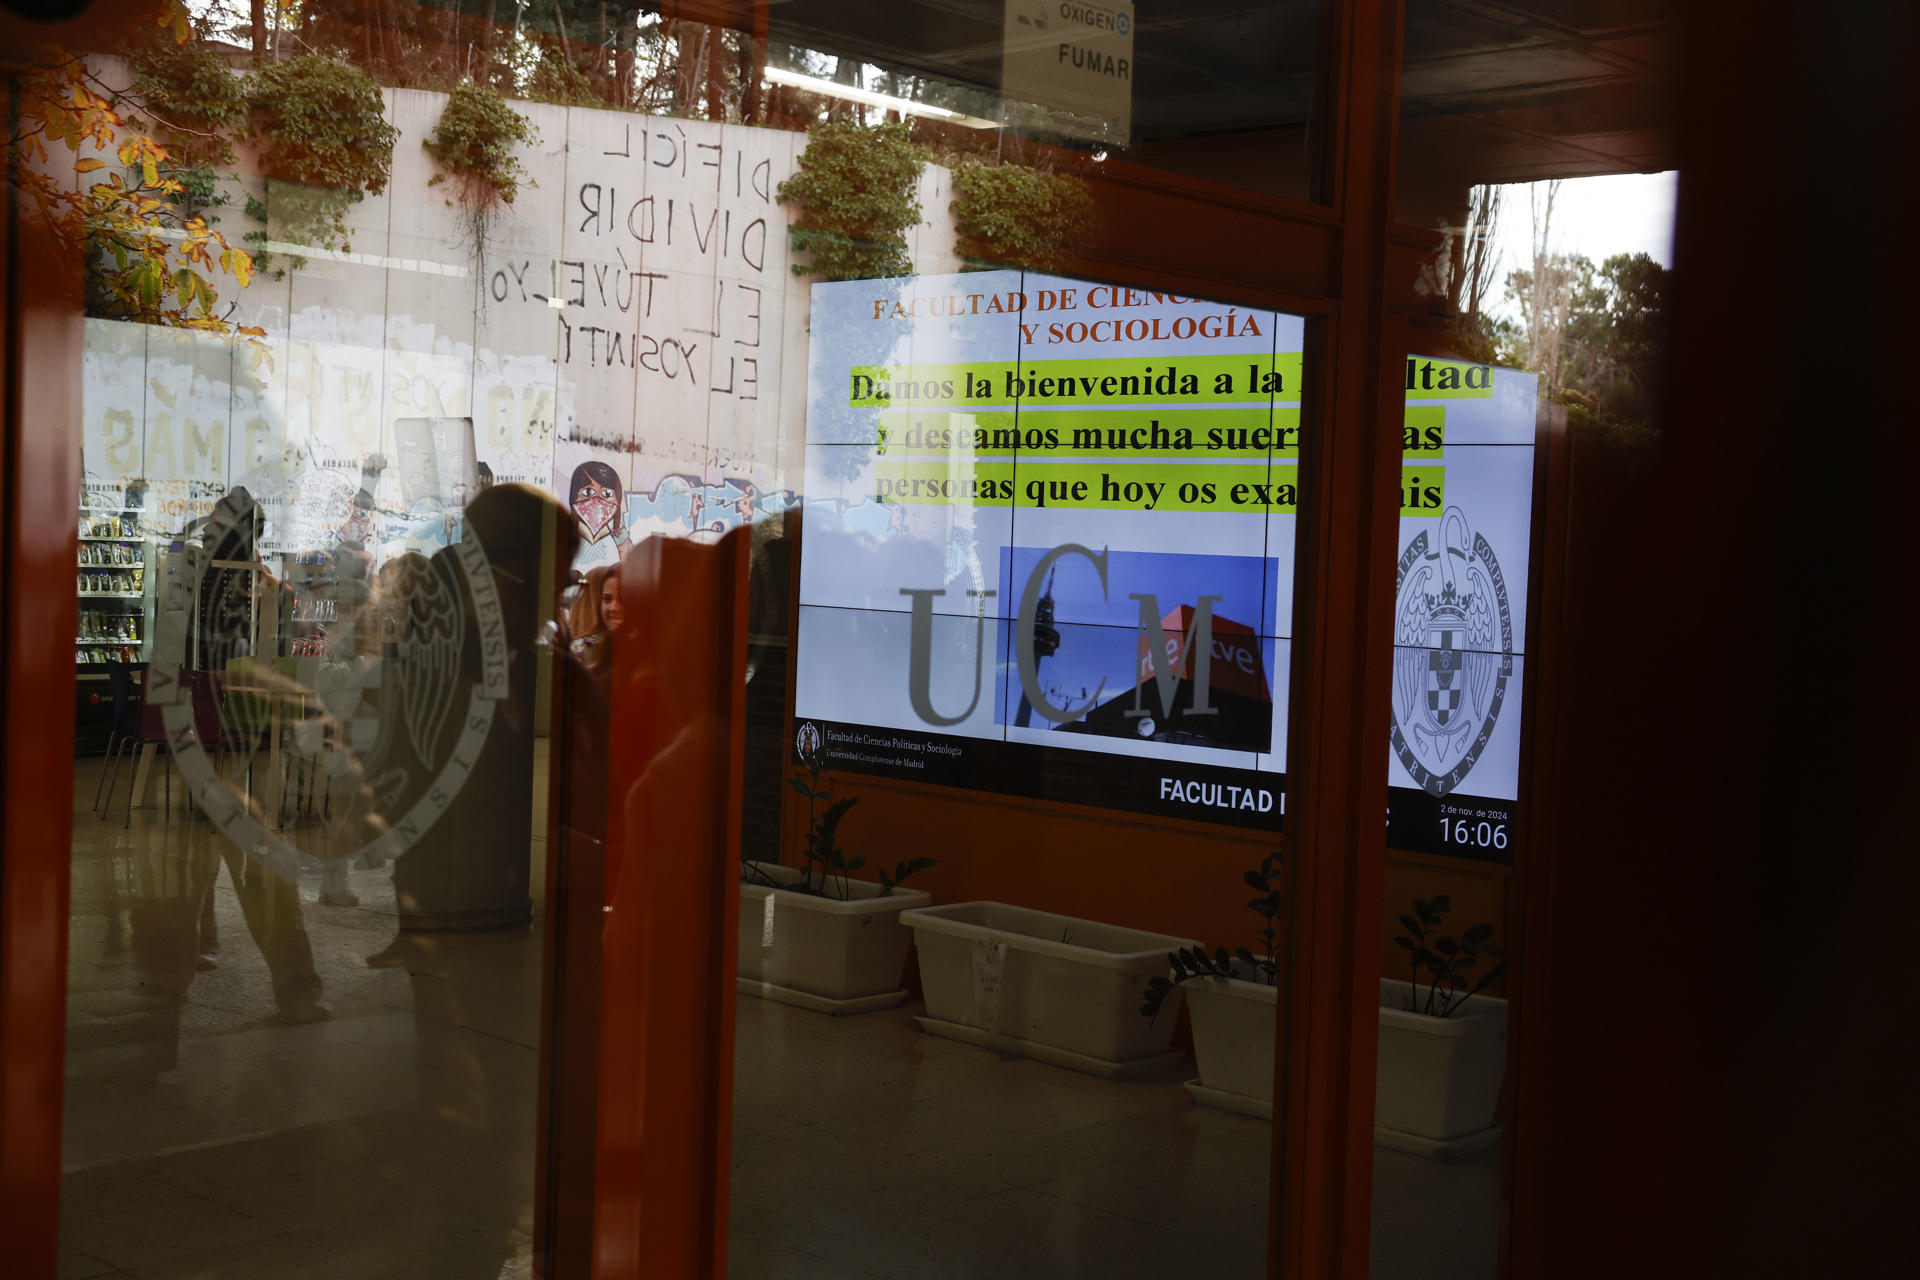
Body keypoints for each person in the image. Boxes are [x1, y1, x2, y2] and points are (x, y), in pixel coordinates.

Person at [566, 563, 622, 690]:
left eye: (623, 596)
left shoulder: (576, 646)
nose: (614, 607)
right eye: (606, 598)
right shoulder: (592, 647)